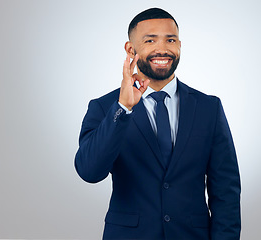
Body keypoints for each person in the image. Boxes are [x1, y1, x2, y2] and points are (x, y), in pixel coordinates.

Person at [75, 7, 241, 240]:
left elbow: (226, 191)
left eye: (170, 40)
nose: (162, 49)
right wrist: (123, 108)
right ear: (130, 49)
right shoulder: (104, 107)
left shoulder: (208, 108)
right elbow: (89, 171)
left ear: (180, 46)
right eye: (150, 40)